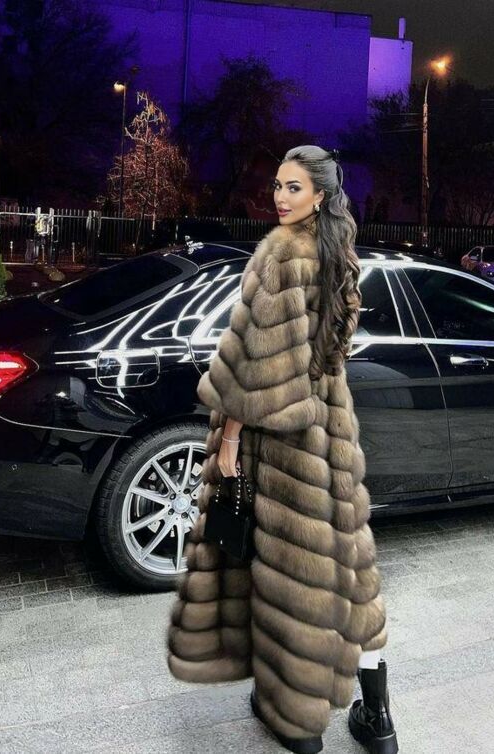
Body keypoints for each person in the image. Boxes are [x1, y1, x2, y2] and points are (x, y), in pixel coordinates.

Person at [167, 145, 398, 754]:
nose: (280, 197)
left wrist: (230, 438)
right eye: (277, 185)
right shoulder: (339, 253)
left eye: (294, 187)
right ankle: (378, 720)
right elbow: (333, 349)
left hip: (284, 447)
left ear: (319, 195)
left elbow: (252, 366)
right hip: (332, 441)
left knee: (291, 582)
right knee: (348, 575)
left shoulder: (279, 254)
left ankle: (296, 722)